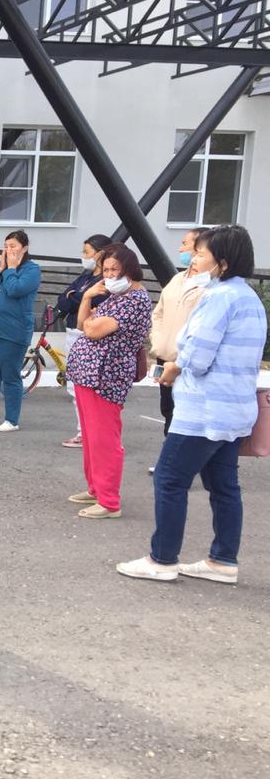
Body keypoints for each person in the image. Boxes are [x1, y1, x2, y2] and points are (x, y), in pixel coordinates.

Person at [118, 225, 266, 584]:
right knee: (224, 485)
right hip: (233, 409)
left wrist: (173, 368)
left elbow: (197, 358)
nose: (194, 259)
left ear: (223, 262)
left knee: (169, 479)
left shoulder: (218, 298)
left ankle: (163, 559)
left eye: (201, 254)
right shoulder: (248, 297)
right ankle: (222, 560)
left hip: (204, 410)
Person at [64, 243, 153, 520]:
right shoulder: (116, 297)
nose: (110, 275)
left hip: (106, 377)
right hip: (88, 374)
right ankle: (96, 489)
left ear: (130, 268)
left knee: (104, 439)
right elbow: (83, 324)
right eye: (106, 270)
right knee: (91, 437)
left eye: (115, 269)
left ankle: (109, 501)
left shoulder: (135, 299)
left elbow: (93, 330)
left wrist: (91, 320)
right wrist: (88, 297)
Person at [0, 230, 42, 432]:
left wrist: (10, 269)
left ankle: (12, 419)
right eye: (5, 246)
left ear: (24, 248)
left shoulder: (32, 270)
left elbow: (15, 289)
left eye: (13, 246)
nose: (8, 250)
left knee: (10, 375)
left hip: (13, 331)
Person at [53, 234, 111, 448]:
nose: (83, 256)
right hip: (72, 332)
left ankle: (90, 433)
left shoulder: (105, 280)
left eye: (87, 252)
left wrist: (75, 296)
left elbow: (95, 299)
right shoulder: (85, 276)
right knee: (74, 386)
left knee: (87, 387)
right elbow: (62, 301)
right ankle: (83, 431)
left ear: (101, 253)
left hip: (88, 334)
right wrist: (77, 297)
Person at [149, 228, 206, 438]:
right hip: (164, 356)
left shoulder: (208, 285)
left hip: (186, 361)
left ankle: (177, 454)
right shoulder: (178, 279)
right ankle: (169, 451)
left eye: (185, 244)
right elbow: (158, 313)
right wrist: (157, 340)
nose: (180, 249)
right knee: (168, 409)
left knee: (184, 411)